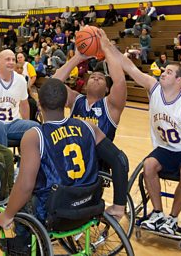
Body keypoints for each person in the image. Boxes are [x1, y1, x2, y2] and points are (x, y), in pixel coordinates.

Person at [0, 78, 128, 229]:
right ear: (66, 102)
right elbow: (120, 160)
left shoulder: (34, 136)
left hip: (55, 212)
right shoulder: (89, 127)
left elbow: (25, 186)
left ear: (39, 104)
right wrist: (119, 205)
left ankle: (22, 245)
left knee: (20, 201)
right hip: (90, 206)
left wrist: (7, 215)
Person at [118, 55, 181, 236]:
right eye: (164, 71)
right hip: (166, 148)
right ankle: (158, 213)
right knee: (148, 165)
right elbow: (130, 68)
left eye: (169, 72)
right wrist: (107, 46)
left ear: (179, 79)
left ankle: (173, 219)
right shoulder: (153, 88)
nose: (163, 74)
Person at [53, 29, 129, 218]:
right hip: (70, 155)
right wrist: (77, 58)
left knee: (121, 160)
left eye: (101, 77)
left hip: (96, 160)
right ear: (85, 85)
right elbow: (52, 85)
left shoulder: (111, 105)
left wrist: (105, 48)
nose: (95, 77)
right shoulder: (76, 100)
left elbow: (119, 79)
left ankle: (119, 207)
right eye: (92, 77)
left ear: (107, 88)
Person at [0, 49, 39, 147]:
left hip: (13, 124)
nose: (11, 62)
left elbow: (24, 104)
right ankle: (3, 160)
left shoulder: (21, 80)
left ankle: (25, 160)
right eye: (8, 59)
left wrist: (26, 121)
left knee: (35, 127)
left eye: (13, 60)